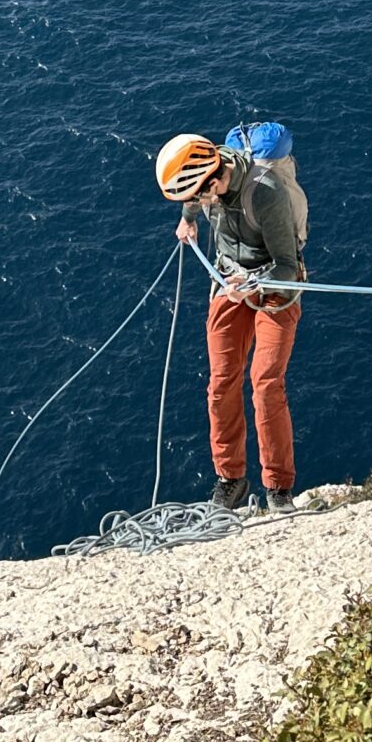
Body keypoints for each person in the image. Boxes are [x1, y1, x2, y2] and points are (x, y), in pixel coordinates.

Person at [154, 130, 307, 513]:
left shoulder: (265, 192)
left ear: (216, 180)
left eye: (200, 196)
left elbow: (288, 267)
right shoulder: (208, 176)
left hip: (274, 287)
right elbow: (192, 195)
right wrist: (188, 219)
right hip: (228, 281)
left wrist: (253, 282)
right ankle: (231, 479)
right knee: (221, 385)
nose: (198, 203)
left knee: (265, 385)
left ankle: (278, 489)